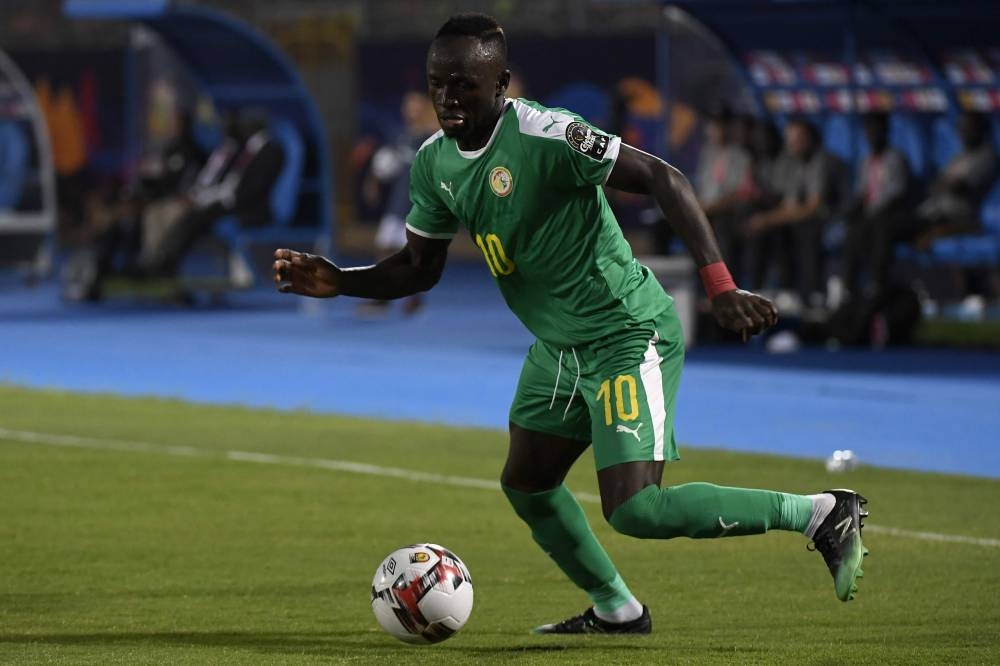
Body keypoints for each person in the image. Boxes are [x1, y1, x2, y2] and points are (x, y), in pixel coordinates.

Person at [273, 14, 869, 634]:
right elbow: (419, 268)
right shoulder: (434, 164)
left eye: (463, 84)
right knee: (528, 484)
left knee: (637, 508)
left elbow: (666, 179)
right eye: (437, 83)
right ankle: (618, 609)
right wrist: (342, 280)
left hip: (624, 332)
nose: (447, 97)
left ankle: (821, 511)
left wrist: (720, 286)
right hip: (560, 347)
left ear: (500, 82)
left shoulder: (550, 134)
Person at [745, 118, 846, 307]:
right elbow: (788, 204)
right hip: (804, 218)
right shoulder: (795, 162)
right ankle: (771, 289)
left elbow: (813, 207)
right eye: (789, 139)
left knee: (805, 230)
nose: (792, 144)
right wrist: (768, 220)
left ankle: (813, 294)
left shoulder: (821, 161)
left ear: (811, 138)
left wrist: (768, 219)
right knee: (771, 230)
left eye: (798, 139)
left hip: (830, 219)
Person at [359, 91, 440, 315]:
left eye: (414, 105)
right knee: (385, 248)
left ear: (424, 107)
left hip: (418, 204)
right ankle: (388, 297)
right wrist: (372, 181)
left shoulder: (433, 135)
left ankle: (408, 297)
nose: (409, 109)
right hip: (397, 202)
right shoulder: (402, 135)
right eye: (406, 105)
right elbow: (386, 163)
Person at [841, 112, 912, 300]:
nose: (872, 136)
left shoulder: (895, 158)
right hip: (871, 215)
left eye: (876, 131)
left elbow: (899, 193)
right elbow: (862, 192)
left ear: (885, 132)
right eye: (868, 132)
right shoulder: (866, 161)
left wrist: (875, 211)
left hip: (893, 215)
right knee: (853, 230)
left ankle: (878, 283)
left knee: (881, 227)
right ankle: (849, 287)